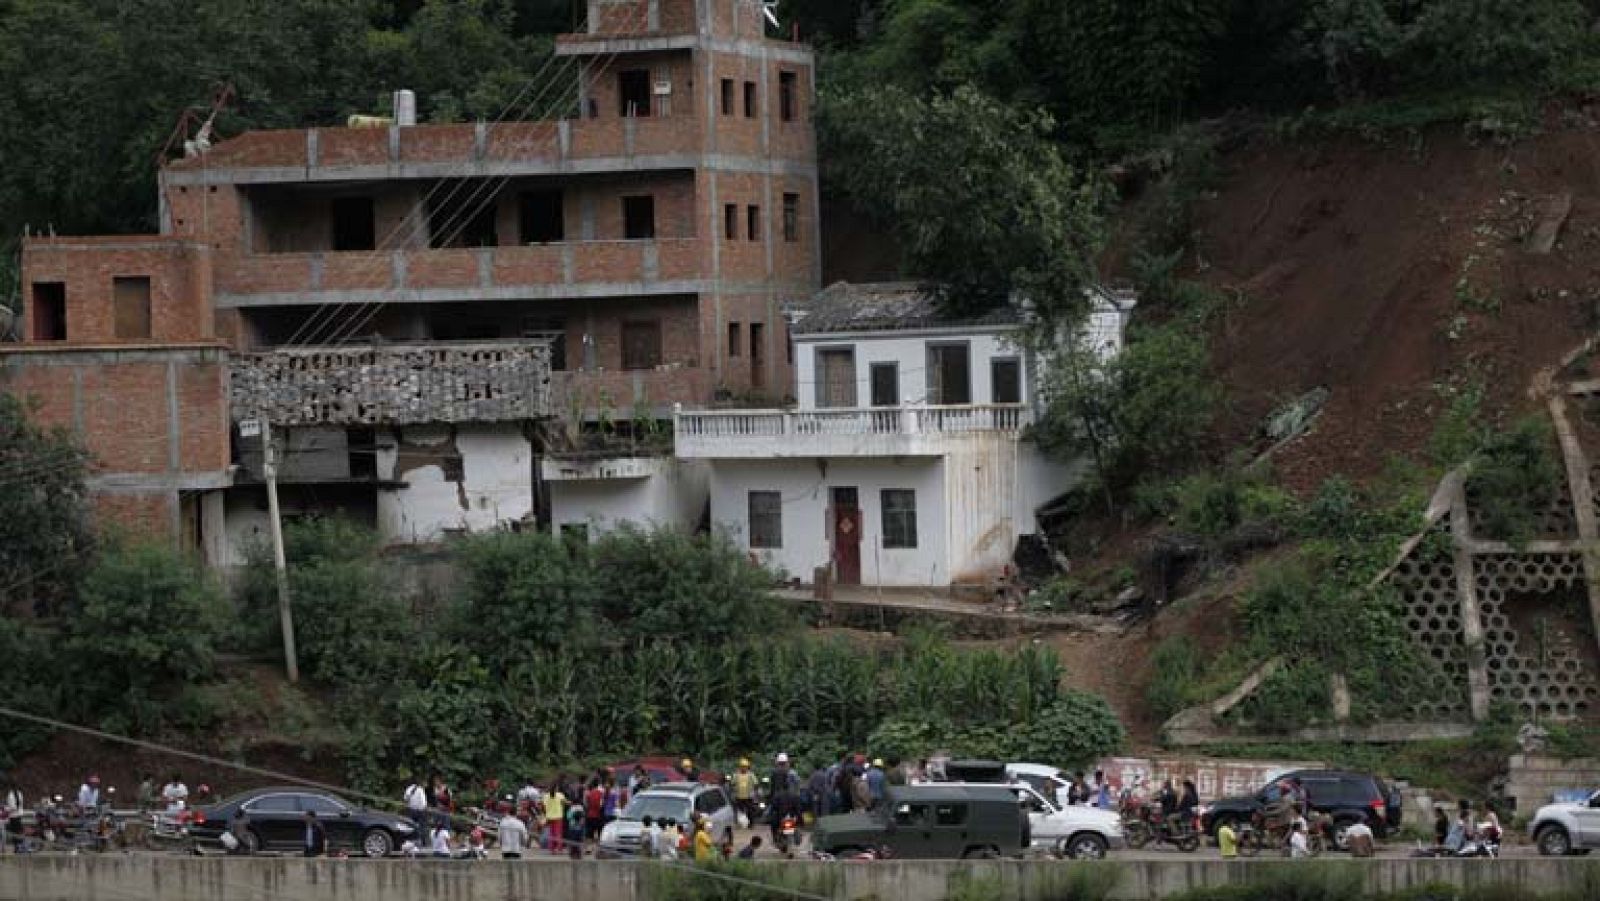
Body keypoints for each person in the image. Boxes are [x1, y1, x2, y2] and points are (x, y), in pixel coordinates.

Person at [731, 759, 760, 826]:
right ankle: (742, 823)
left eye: (745, 766)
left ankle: (751, 823)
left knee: (750, 811)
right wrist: (733, 793)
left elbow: (756, 784)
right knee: (740, 811)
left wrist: (755, 793)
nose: (743, 768)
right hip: (739, 796)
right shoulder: (736, 775)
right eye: (742, 766)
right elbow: (732, 784)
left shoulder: (751, 775)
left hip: (749, 796)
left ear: (747, 767)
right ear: (740, 767)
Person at [542, 782, 565, 852]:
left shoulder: (546, 796)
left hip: (549, 817)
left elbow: (543, 806)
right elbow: (564, 803)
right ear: (556, 788)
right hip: (558, 816)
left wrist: (546, 813)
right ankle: (558, 848)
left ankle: (552, 848)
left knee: (551, 833)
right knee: (558, 833)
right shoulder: (560, 795)